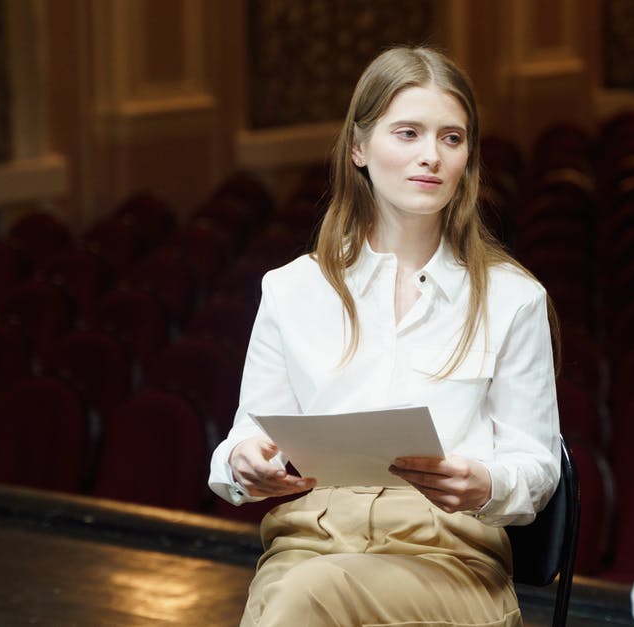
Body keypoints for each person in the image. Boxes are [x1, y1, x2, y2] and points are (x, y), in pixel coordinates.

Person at [207, 46, 560, 627]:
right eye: (408, 133)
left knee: (298, 600)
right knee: (294, 588)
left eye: (452, 138)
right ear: (359, 148)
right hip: (309, 542)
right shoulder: (293, 289)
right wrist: (245, 464)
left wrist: (486, 484)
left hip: (447, 559)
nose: (432, 156)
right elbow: (243, 443)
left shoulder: (512, 297)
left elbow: (537, 467)